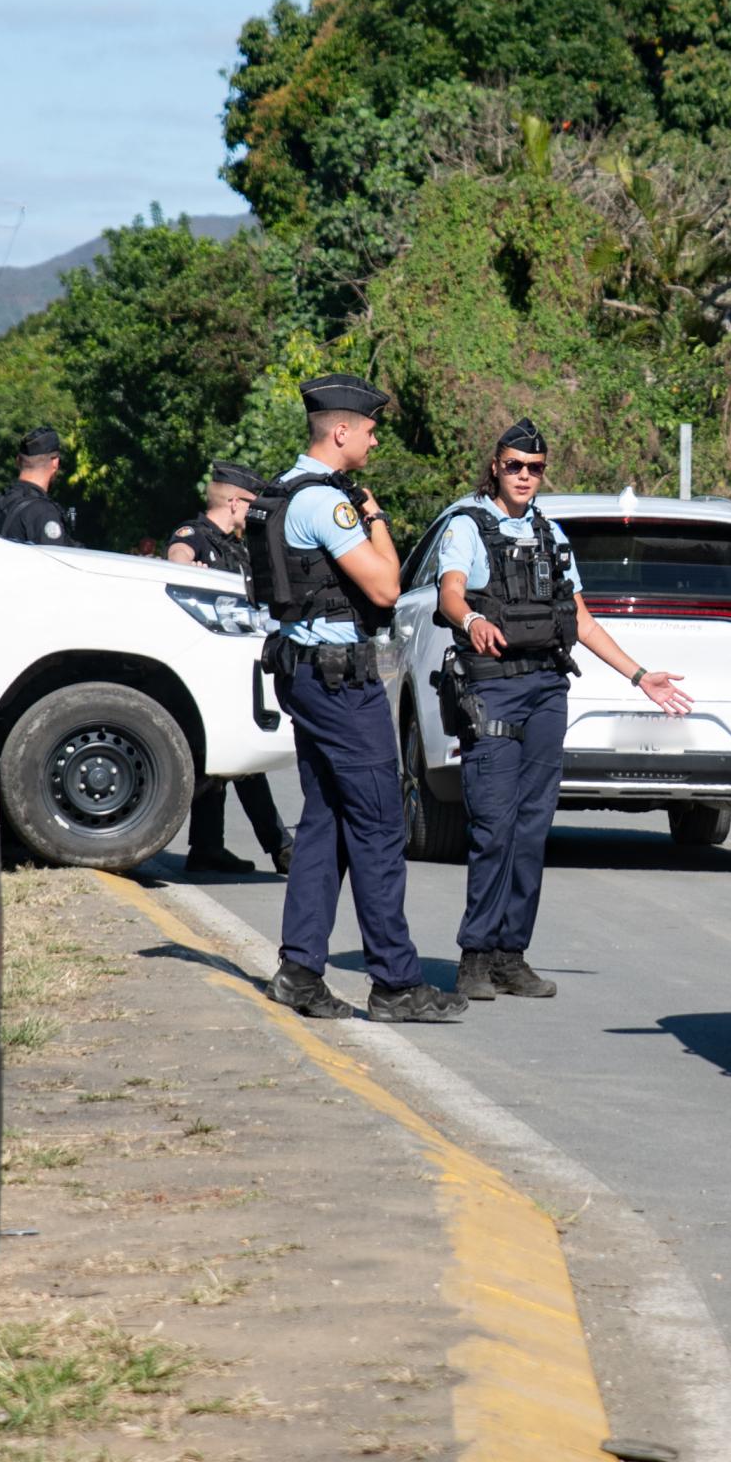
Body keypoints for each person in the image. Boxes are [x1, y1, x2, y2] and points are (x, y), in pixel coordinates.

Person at [434, 419, 693, 1001]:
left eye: (535, 468)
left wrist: (639, 676)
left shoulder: (552, 536)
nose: (524, 476)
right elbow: (451, 590)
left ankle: (510, 954)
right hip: (492, 688)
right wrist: (471, 619)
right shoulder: (468, 525)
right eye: (514, 466)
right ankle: (474, 956)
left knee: (532, 829)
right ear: (495, 466)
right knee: (494, 827)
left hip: (548, 689)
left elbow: (581, 620)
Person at [245, 377, 465, 1024]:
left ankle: (299, 971)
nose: (373, 438)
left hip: (306, 671)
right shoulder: (327, 505)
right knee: (378, 824)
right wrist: (372, 514)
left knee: (326, 822)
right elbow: (387, 587)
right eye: (368, 429)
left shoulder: (281, 491)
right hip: (342, 684)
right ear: (339, 432)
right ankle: (395, 983)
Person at [167, 461, 290, 876]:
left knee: (221, 760)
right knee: (244, 761)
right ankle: (281, 846)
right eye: (251, 506)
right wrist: (185, 569)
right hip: (206, 669)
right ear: (235, 502)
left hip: (240, 666)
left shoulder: (239, 546)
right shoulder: (195, 535)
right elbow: (177, 557)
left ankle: (206, 846)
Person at [0, 427, 81, 545]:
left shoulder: (0, 500)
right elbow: (54, 561)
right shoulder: (43, 512)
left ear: (18, 460)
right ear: (55, 463)